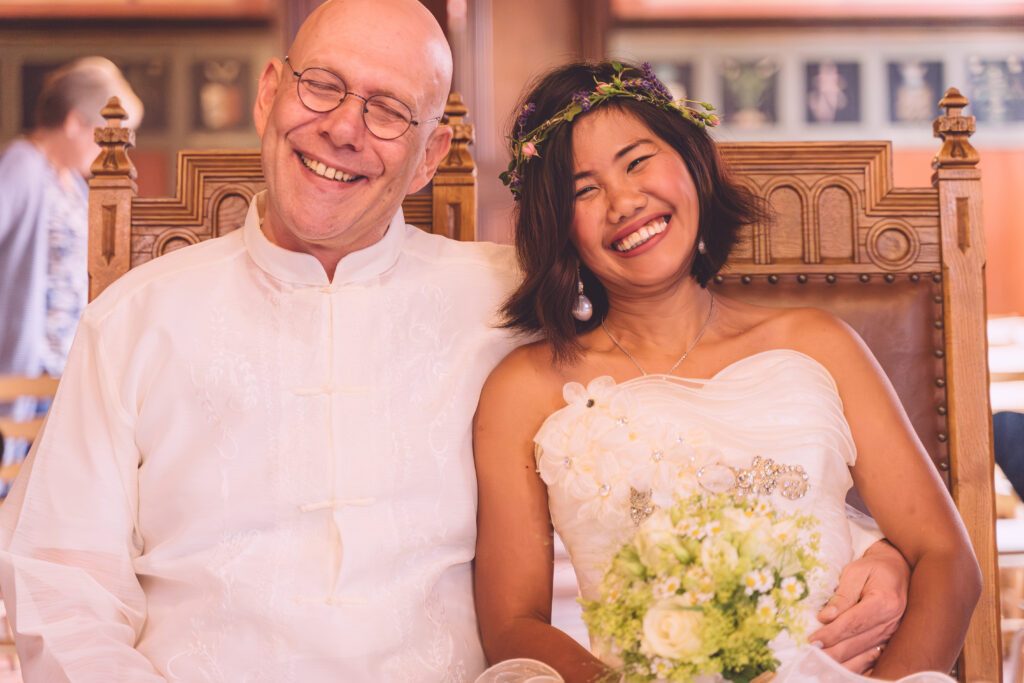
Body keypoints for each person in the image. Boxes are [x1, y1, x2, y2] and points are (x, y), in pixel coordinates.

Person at [0, 4, 910, 680]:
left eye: (390, 109)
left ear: (430, 155)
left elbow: (687, 414)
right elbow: (61, 586)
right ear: (272, 93)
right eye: (323, 85)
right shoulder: (134, 319)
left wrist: (873, 547)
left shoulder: (515, 300)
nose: (345, 128)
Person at [473, 61, 980, 682]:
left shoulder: (818, 344)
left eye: (637, 162)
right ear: (558, 226)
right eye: (584, 190)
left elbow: (947, 557)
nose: (624, 202)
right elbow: (512, 624)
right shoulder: (524, 389)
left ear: (693, 163)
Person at [0, 58, 143, 487]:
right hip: (25, 374)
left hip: (60, 374)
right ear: (74, 123)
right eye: (106, 137)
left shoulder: (73, 184)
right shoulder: (24, 166)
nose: (112, 151)